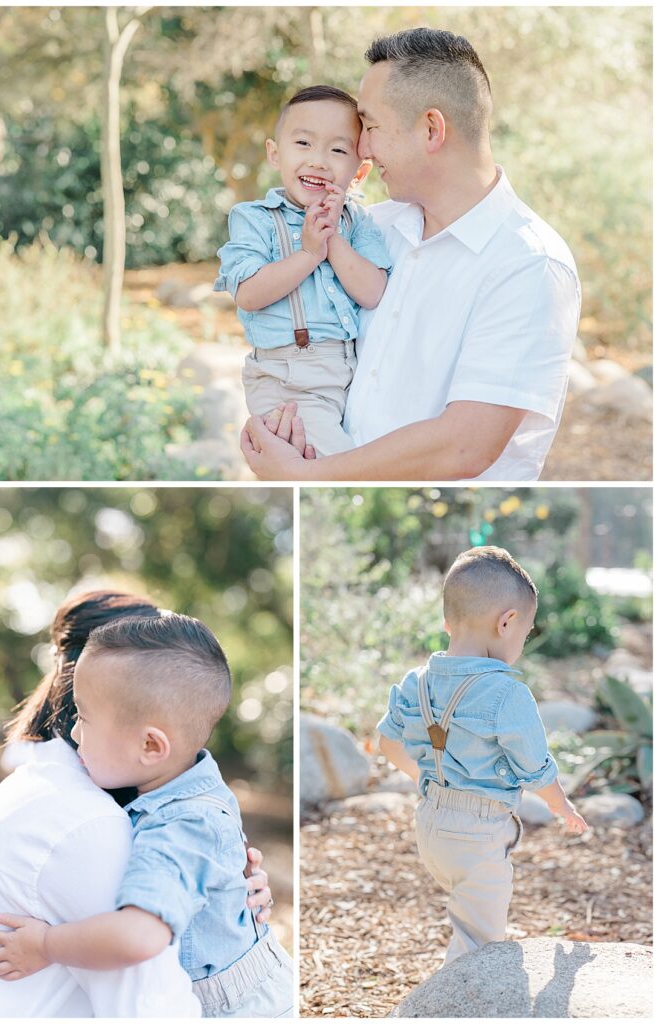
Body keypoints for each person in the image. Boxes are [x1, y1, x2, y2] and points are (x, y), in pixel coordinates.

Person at [241, 27, 581, 482]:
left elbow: (465, 445)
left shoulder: (530, 265)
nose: (360, 149)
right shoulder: (367, 229)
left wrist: (309, 478)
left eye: (371, 126)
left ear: (431, 129)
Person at [0, 590, 274, 1018]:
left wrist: (225, 892)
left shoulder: (163, 806)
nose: (78, 733)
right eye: (79, 715)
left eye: (87, 717)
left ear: (151, 743)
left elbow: (140, 940)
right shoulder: (87, 819)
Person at [376, 547, 588, 965]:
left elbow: (386, 742)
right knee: (479, 948)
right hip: (478, 835)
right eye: (524, 635)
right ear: (507, 621)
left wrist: (422, 778)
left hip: (430, 825)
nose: (521, 644)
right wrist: (561, 805)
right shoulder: (508, 694)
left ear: (447, 620)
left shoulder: (415, 682)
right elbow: (534, 767)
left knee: (466, 915)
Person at [215, 84, 392, 456]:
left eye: (338, 150)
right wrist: (309, 254)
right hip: (288, 380)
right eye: (303, 144)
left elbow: (373, 291)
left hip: (346, 377)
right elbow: (248, 293)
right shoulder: (255, 219)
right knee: (340, 469)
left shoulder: (358, 222)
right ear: (275, 154)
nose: (318, 160)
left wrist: (334, 242)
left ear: (358, 174)